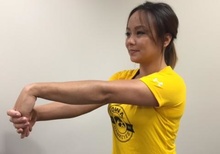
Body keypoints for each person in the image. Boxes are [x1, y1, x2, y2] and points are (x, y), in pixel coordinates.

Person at [7, 1, 186, 154]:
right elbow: (82, 102)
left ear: (165, 40)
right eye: (128, 33)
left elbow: (103, 92)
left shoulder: (171, 84)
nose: (130, 41)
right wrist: (34, 115)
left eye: (140, 33)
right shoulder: (122, 78)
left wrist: (33, 90)